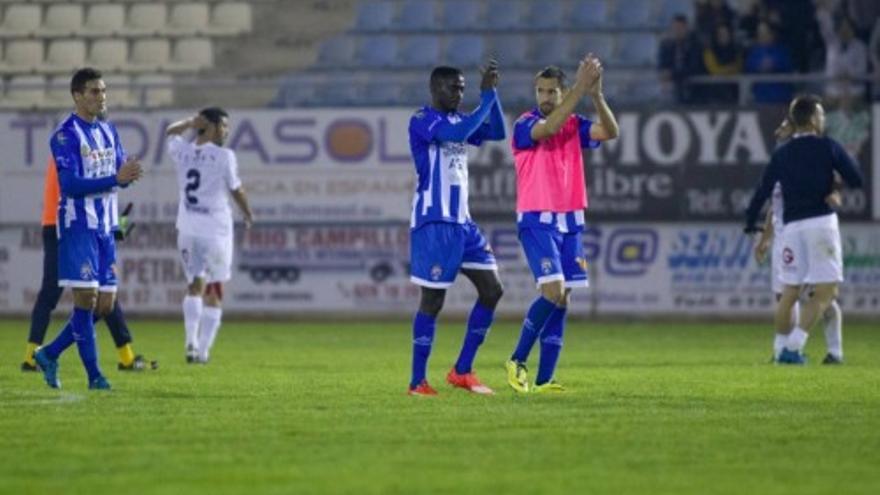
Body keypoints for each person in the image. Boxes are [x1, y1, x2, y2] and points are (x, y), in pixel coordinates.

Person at [505, 57, 619, 393]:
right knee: (552, 292)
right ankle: (516, 359)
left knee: (563, 298)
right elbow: (549, 128)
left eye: (552, 92)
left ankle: (544, 380)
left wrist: (596, 96)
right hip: (537, 219)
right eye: (540, 91)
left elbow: (611, 132)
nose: (544, 97)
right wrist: (580, 91)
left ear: (562, 92)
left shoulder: (575, 124)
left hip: (570, 220)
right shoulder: (524, 126)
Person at [34, 67, 144, 390]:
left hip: (106, 227)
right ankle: (95, 376)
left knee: (105, 305)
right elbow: (69, 185)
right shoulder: (65, 136)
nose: (102, 97)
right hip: (78, 225)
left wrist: (127, 175)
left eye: (104, 91)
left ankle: (50, 353)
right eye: (95, 91)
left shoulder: (110, 132)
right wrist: (116, 178)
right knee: (85, 299)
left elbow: (118, 177)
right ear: (78, 95)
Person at [406, 61, 506, 396]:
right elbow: (457, 135)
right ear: (435, 89)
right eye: (453, 87)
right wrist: (485, 99)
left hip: (464, 224)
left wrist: (492, 94)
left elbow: (497, 132)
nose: (459, 93)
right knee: (433, 301)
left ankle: (462, 370)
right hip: (435, 223)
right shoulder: (423, 119)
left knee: (492, 291)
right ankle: (417, 381)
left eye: (463, 88)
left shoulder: (460, 120)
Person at [744, 94, 863, 364]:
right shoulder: (828, 147)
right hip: (820, 223)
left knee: (788, 293)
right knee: (827, 292)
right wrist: (834, 186)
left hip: (791, 229)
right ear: (812, 119)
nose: (823, 119)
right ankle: (792, 348)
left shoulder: (782, 154)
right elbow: (856, 178)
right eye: (820, 114)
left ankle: (783, 350)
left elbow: (763, 191)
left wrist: (751, 222)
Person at [22, 155, 154, 373]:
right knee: (92, 292)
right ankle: (36, 357)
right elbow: (83, 187)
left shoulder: (70, 141)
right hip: (70, 224)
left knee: (101, 292)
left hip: (67, 222)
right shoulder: (78, 144)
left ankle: (33, 356)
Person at [165, 108, 253, 364]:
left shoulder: (182, 151)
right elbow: (236, 189)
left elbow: (170, 132)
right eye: (223, 126)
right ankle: (203, 352)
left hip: (188, 230)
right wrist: (247, 213)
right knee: (214, 288)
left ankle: (190, 342)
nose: (226, 131)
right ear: (211, 127)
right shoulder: (224, 156)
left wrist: (190, 123)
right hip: (215, 231)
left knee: (194, 285)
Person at [658, 14, 705, 104]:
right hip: (671, 88)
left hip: (692, 89)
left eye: (680, 27)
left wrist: (672, 74)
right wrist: (663, 73)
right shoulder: (666, 45)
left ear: (686, 28)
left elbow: (694, 67)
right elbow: (661, 65)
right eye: (675, 28)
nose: (677, 30)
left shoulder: (694, 45)